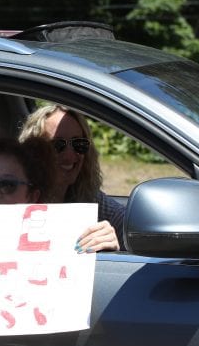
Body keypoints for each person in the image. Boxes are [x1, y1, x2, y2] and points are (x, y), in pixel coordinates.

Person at [18, 104, 125, 251]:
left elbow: (130, 224)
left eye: (78, 144)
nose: (70, 156)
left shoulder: (91, 200)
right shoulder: (13, 198)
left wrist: (113, 246)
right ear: (33, 151)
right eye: (57, 145)